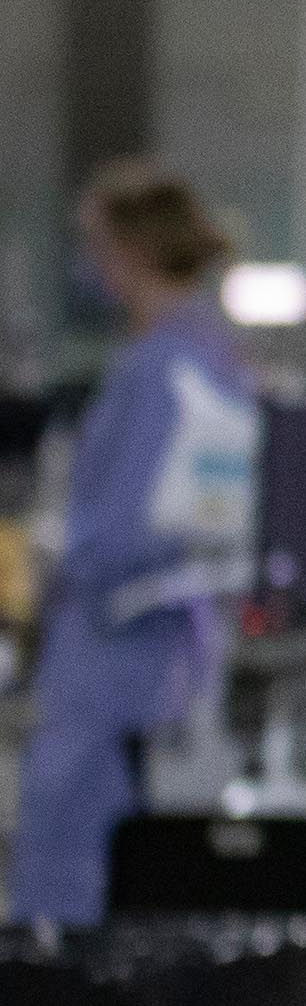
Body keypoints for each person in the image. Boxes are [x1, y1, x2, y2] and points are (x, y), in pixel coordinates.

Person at [9, 160, 252, 927]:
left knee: (74, 878)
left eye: (96, 246)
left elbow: (123, 532)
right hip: (154, 660)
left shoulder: (163, 371)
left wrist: (49, 552)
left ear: (132, 251)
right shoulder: (205, 357)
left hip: (115, 661)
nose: (89, 268)